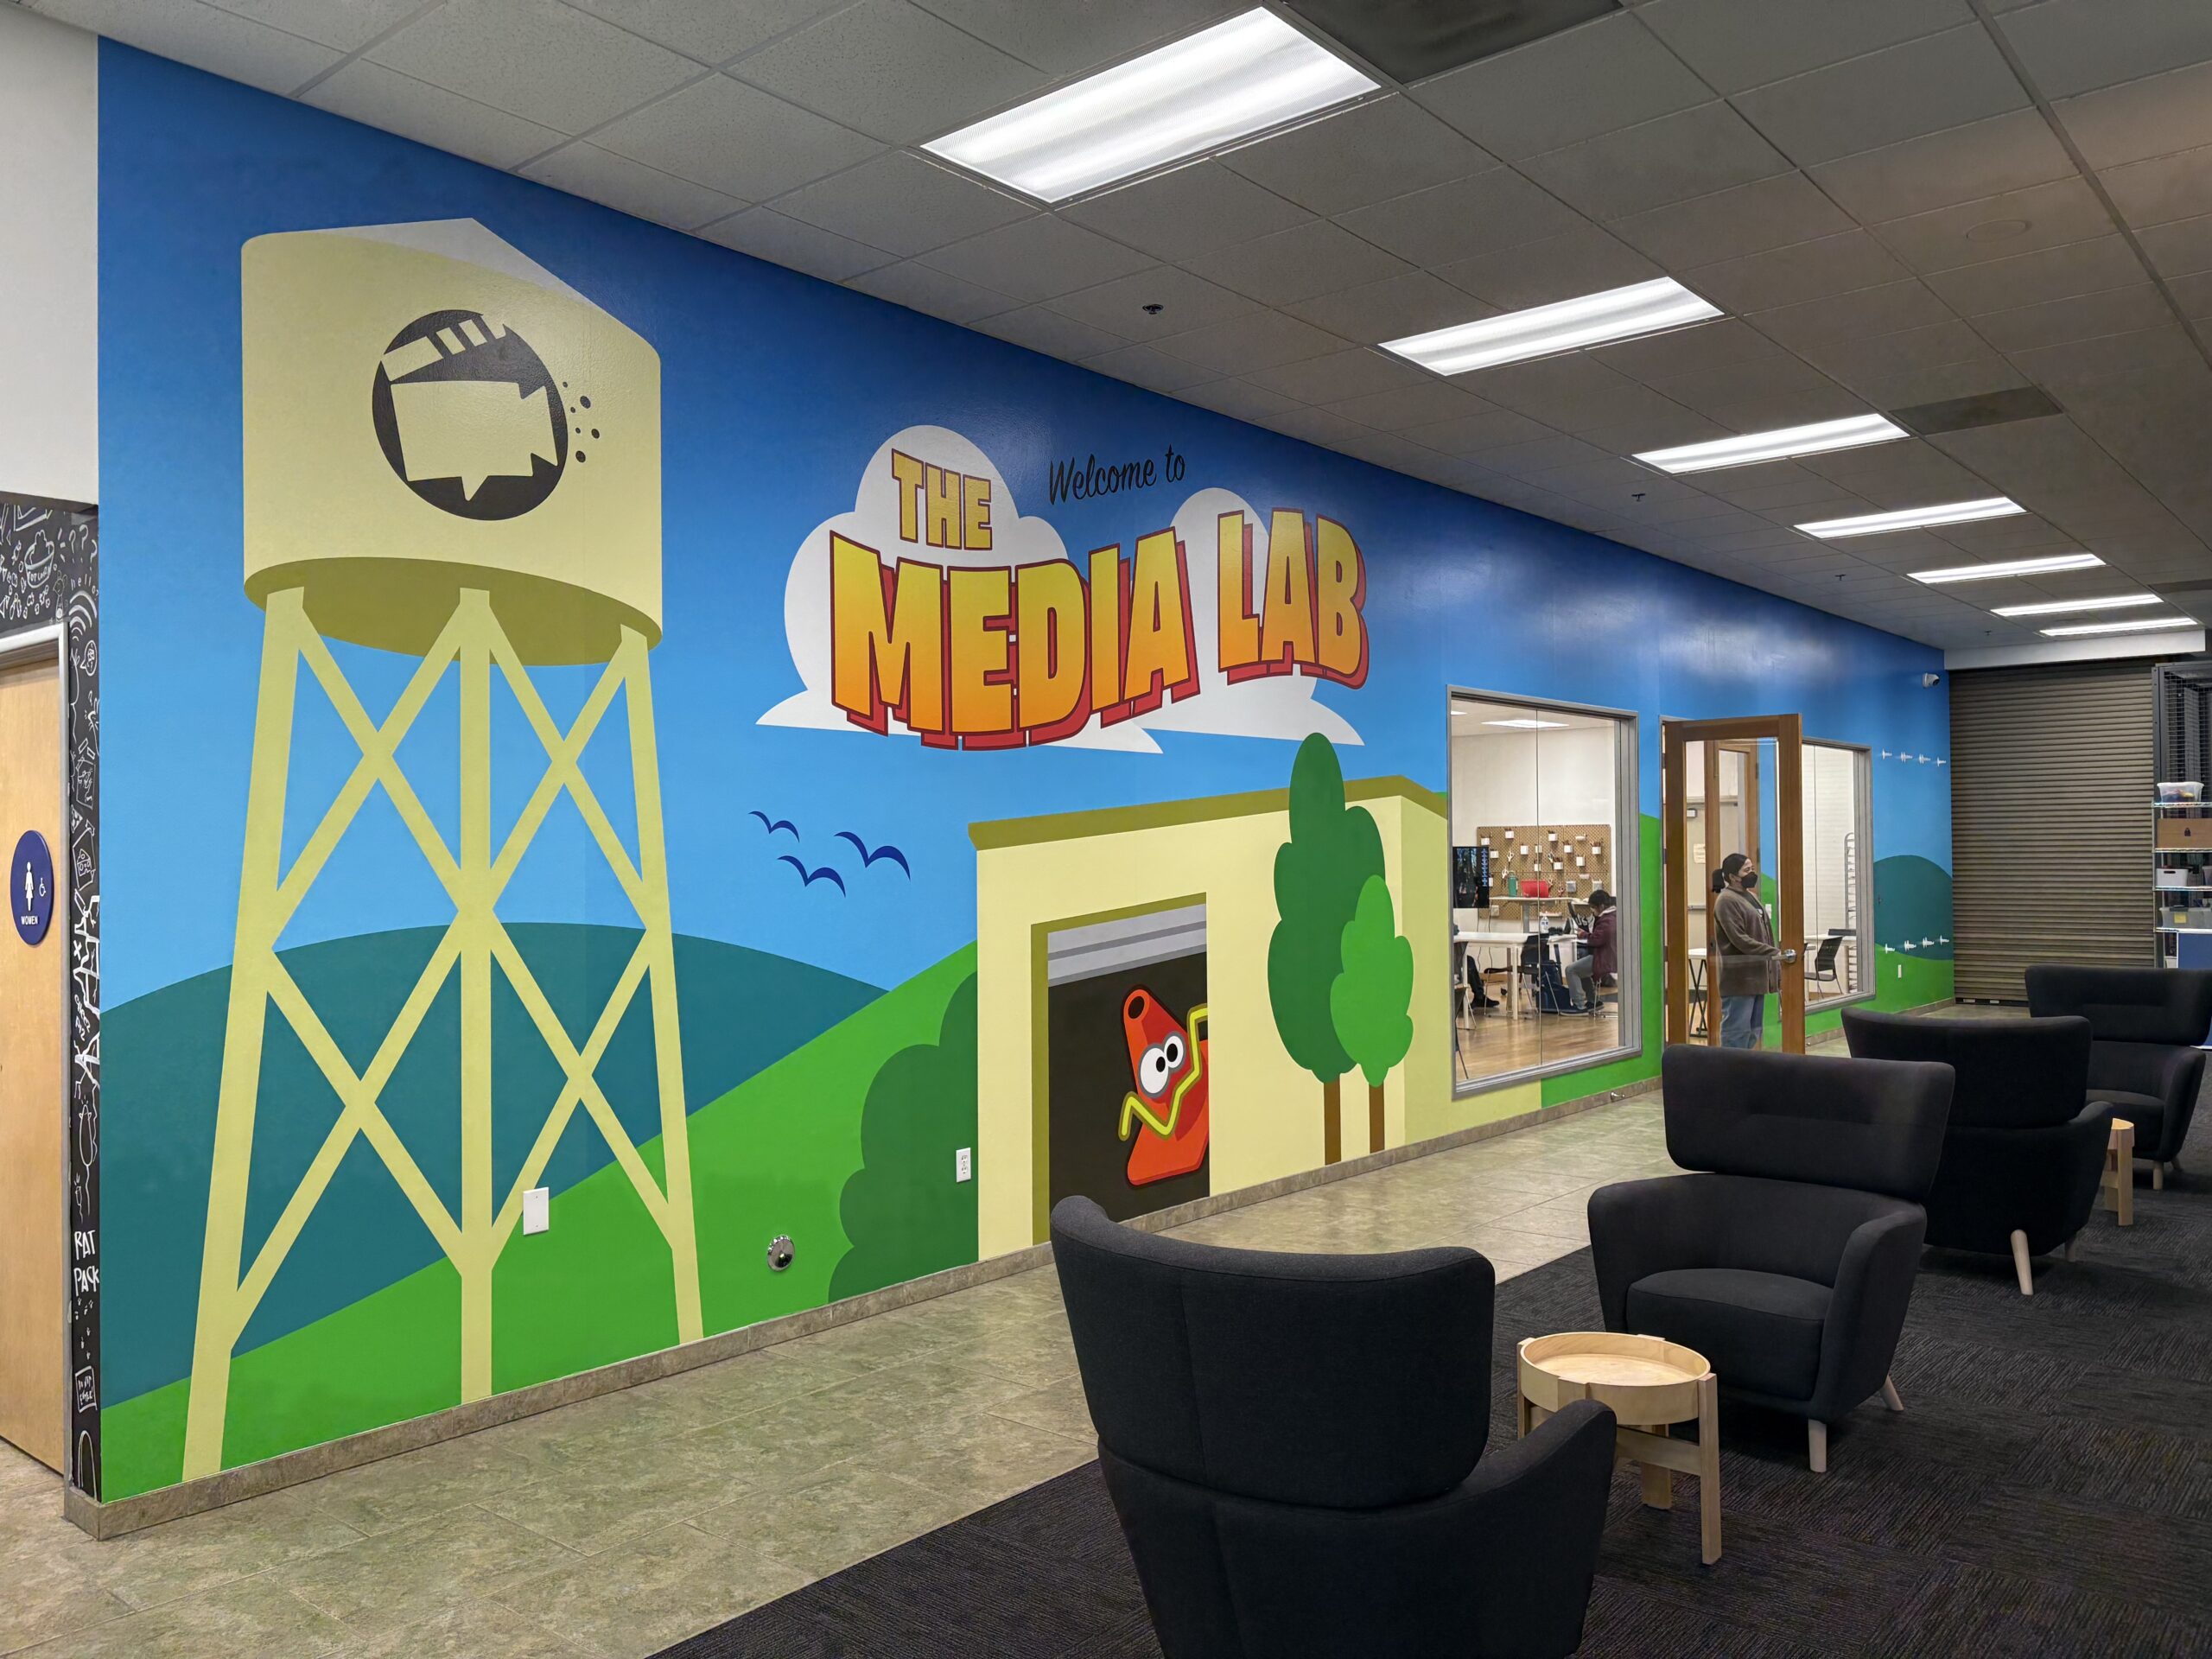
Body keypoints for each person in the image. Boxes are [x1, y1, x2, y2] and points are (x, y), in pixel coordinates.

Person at [1713, 852, 1783, 1048]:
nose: (1752, 873)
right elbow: (1739, 939)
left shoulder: (1751, 897)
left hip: (1756, 976)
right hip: (1739, 978)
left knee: (1753, 1031)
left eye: (1752, 868)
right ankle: (1731, 1066)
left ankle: (1744, 1064)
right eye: (1746, 870)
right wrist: (1772, 952)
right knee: (1736, 1032)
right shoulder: (1726, 900)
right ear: (1733, 876)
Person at [1561, 890, 1617, 1014]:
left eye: (1593, 907)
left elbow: (1596, 940)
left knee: (1571, 970)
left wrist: (1583, 935)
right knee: (1580, 969)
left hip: (1604, 958)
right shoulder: (1613, 916)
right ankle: (1593, 1001)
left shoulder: (1607, 920)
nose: (1592, 911)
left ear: (1601, 906)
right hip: (1608, 956)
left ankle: (1579, 1005)